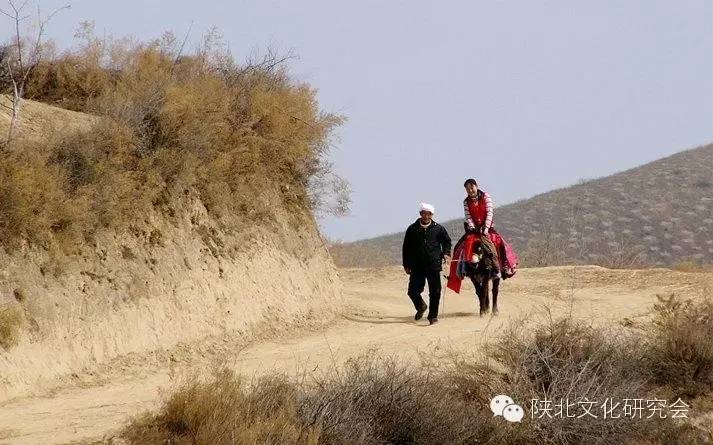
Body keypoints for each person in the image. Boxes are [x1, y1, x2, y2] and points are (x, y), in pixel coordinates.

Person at [402, 202, 452, 325]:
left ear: (431, 215)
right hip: (417, 265)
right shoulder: (412, 229)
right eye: (423, 213)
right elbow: (406, 248)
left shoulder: (438, 229)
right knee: (412, 291)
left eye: (428, 214)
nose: (425, 216)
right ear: (420, 214)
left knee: (435, 291)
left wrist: (446, 253)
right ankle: (421, 306)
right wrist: (406, 264)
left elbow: (447, 241)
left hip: (433, 265)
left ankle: (433, 317)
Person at [462, 178, 517, 278]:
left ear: (476, 186)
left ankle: (503, 267)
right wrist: (472, 226)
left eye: (471, 187)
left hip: (487, 227)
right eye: (467, 189)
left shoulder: (486, 196)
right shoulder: (466, 202)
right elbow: (468, 216)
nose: (470, 190)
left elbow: (490, 212)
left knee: (499, 242)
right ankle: (463, 269)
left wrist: (486, 227)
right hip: (474, 229)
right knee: (463, 245)